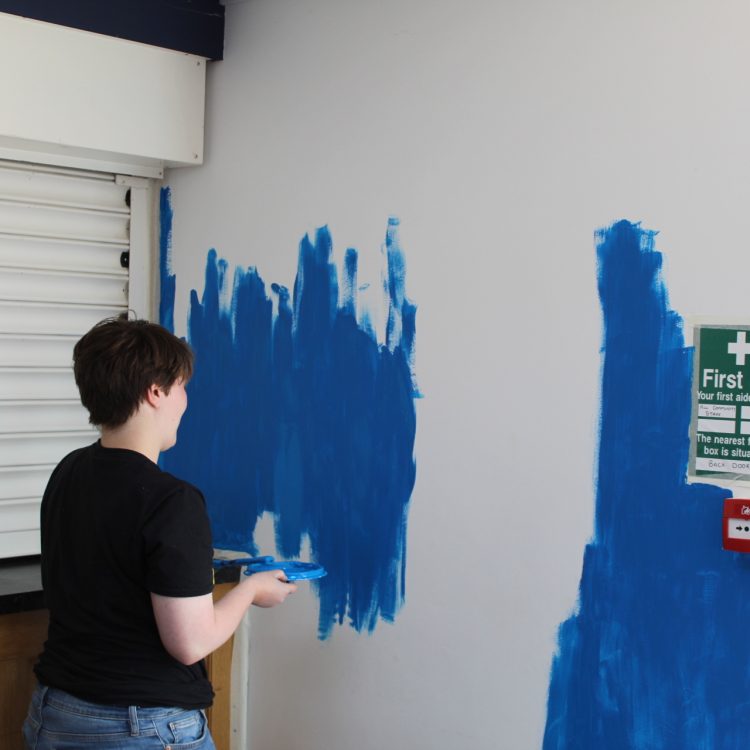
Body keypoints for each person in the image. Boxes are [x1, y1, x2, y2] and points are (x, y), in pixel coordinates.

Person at [22, 316, 296, 749]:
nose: (185, 400)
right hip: (140, 728)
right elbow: (190, 643)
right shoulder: (173, 502)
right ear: (156, 391)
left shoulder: (69, 471)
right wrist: (250, 591)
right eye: (181, 386)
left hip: (55, 714)